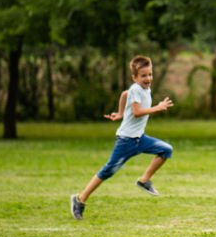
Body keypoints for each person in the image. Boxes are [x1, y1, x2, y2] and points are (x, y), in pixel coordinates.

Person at [71, 56, 174, 219]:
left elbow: (124, 94)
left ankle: (144, 180)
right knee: (108, 171)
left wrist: (120, 113)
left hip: (140, 139)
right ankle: (79, 199)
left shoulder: (144, 88)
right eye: (144, 76)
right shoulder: (136, 89)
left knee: (166, 150)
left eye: (150, 74)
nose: (148, 78)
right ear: (134, 77)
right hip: (126, 141)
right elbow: (137, 112)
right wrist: (158, 107)